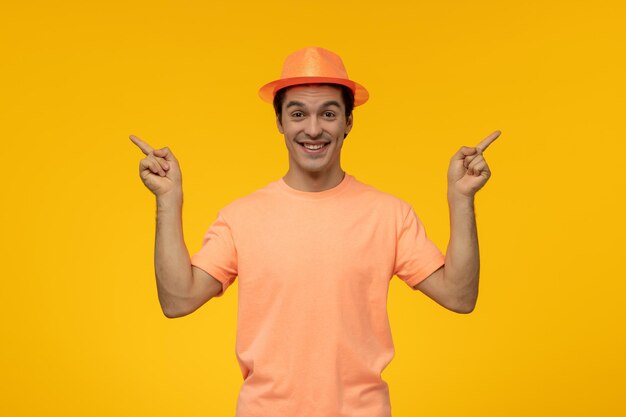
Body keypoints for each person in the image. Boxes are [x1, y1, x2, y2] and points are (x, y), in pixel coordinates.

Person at [130, 46, 500, 417]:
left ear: (348, 122)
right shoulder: (241, 217)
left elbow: (459, 296)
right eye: (297, 114)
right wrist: (168, 200)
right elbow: (178, 301)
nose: (313, 128)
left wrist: (461, 198)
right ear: (279, 122)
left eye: (328, 113)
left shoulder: (389, 215)